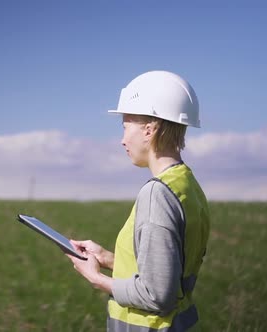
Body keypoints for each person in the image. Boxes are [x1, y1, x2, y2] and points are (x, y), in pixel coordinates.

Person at [66, 70, 210, 332]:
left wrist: (97, 279)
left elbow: (157, 294)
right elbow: (168, 270)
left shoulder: (157, 194)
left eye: (125, 127)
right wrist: (108, 258)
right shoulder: (187, 184)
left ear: (150, 129)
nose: (122, 140)